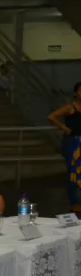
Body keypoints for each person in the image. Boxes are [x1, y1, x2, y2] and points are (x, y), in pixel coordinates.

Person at [46, 82, 81, 212]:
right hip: (72, 141)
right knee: (73, 171)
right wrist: (64, 128)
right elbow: (51, 116)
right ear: (75, 93)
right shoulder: (70, 107)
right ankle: (73, 202)